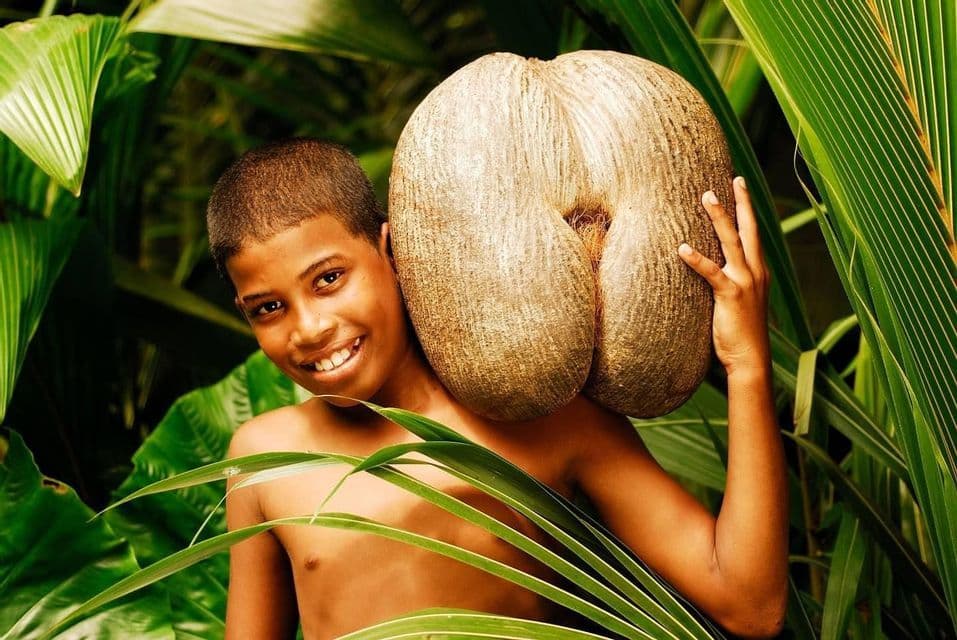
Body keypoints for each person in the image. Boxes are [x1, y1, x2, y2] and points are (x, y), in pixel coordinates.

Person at [207, 138, 788, 639]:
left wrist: (746, 364)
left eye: (329, 279)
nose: (308, 328)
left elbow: (750, 606)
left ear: (389, 249)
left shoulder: (543, 418)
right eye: (268, 308)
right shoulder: (265, 460)